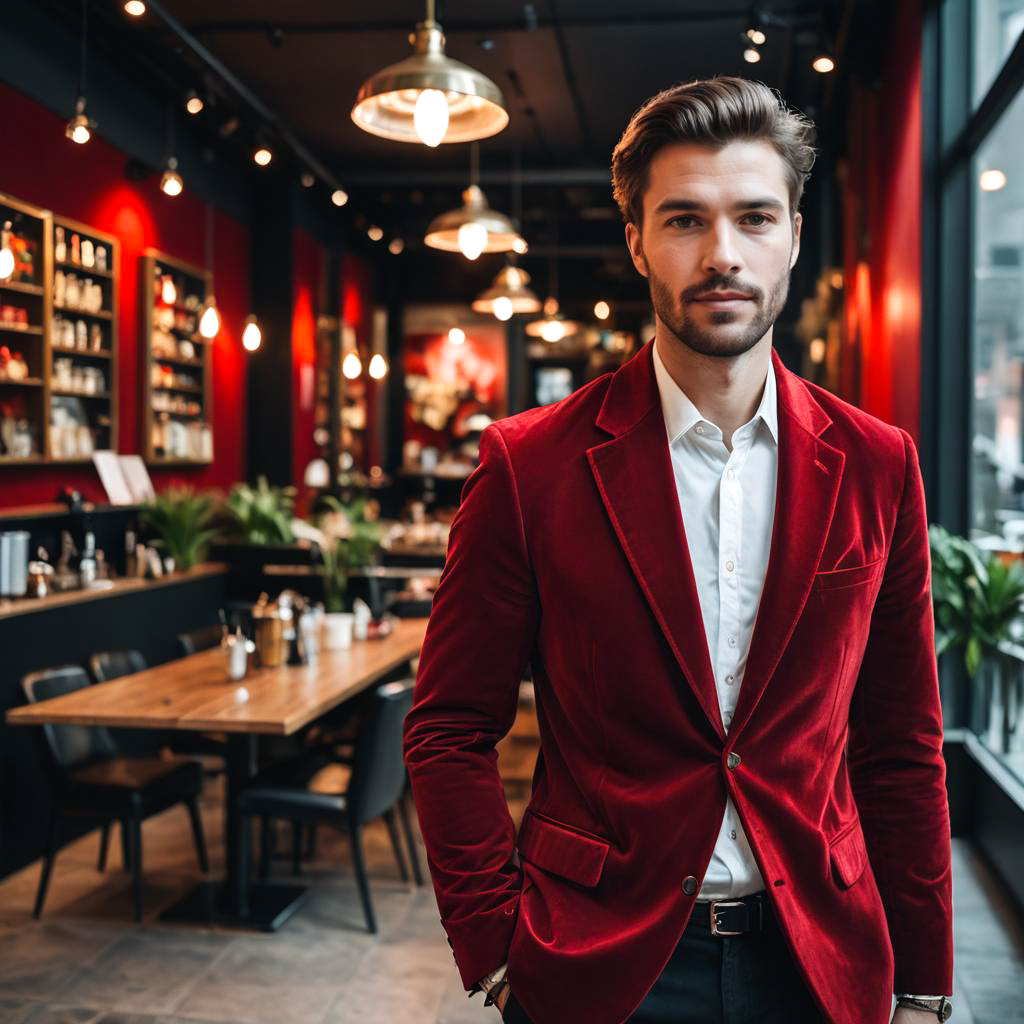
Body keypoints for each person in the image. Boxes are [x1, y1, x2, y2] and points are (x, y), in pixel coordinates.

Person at [403, 75, 953, 1024]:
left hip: (820, 959)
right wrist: (496, 951)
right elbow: (449, 727)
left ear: (791, 233)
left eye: (753, 217)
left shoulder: (878, 465)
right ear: (638, 242)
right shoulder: (530, 465)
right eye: (685, 220)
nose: (723, 255)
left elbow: (902, 744)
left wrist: (926, 983)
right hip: (600, 964)